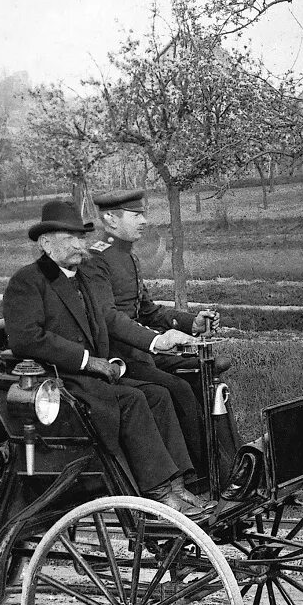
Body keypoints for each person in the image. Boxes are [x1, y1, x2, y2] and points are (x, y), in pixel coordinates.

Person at [2, 199, 208, 514]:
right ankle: (157, 493)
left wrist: (136, 350)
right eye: (68, 238)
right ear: (45, 244)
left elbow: (107, 320)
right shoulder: (28, 281)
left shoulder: (81, 277)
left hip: (92, 376)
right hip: (60, 381)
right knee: (134, 401)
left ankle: (178, 486)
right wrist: (88, 360)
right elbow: (27, 338)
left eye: (81, 237)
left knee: (158, 395)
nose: (78, 244)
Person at [79, 188, 211, 473]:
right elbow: (109, 318)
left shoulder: (127, 257)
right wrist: (156, 340)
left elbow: (147, 311)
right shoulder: (95, 260)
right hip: (118, 357)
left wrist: (191, 323)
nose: (144, 221)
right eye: (136, 214)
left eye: (143, 214)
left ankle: (230, 464)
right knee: (177, 389)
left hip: (139, 352)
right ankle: (198, 475)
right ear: (111, 219)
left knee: (203, 373)